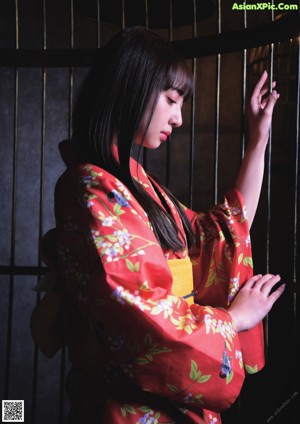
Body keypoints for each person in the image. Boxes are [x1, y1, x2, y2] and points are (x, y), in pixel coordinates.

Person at [30, 26, 285, 424]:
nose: (179, 118)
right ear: (132, 89)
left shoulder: (137, 186)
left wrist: (258, 139)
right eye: (170, 99)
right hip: (128, 407)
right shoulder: (91, 187)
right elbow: (136, 310)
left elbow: (220, 231)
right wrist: (232, 320)